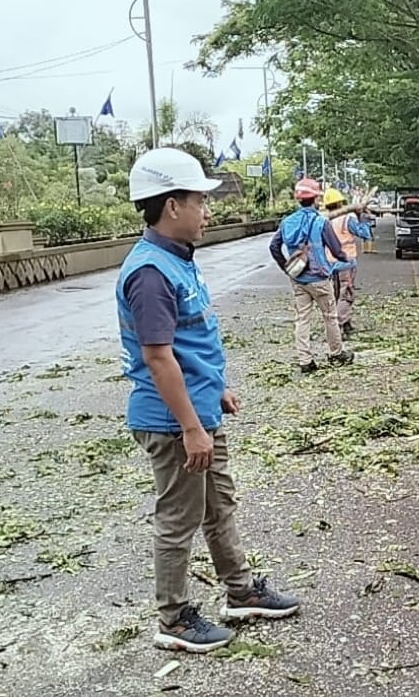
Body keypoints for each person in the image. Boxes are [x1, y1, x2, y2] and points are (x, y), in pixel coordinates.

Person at [115, 147, 301, 653]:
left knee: (220, 506)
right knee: (179, 518)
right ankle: (172, 619)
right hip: (175, 422)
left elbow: (188, 343)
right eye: (200, 200)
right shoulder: (151, 273)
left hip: (200, 413)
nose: (208, 210)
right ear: (171, 205)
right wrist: (192, 427)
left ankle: (240, 591)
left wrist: (215, 389)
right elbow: (157, 358)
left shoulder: (178, 261)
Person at [269, 178, 356, 373]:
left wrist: (287, 267)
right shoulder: (320, 222)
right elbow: (336, 248)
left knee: (302, 319)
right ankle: (336, 353)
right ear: (316, 199)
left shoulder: (287, 222)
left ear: (298, 198)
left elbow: (274, 246)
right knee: (330, 316)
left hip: (298, 279)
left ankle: (305, 361)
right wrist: (345, 258)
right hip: (320, 279)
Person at [324, 187, 372, 338]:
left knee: (337, 295)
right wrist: (362, 218)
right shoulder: (346, 219)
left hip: (331, 263)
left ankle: (346, 323)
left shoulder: (326, 220)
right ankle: (338, 326)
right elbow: (365, 234)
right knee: (346, 295)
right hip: (346, 262)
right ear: (341, 203)